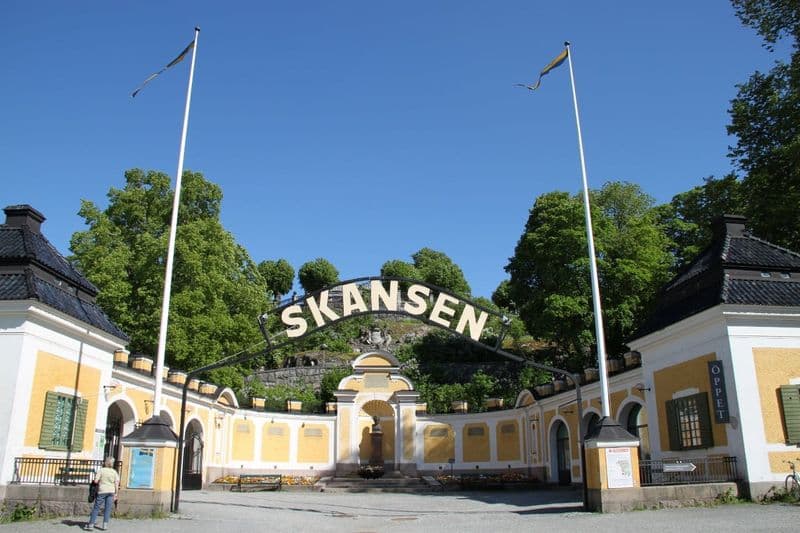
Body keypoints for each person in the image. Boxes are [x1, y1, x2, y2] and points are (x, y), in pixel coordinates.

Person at [84, 457, 120, 531]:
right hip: (111, 491)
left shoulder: (101, 470)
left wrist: (98, 480)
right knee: (108, 508)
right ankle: (105, 526)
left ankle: (91, 525)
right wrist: (116, 494)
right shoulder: (114, 472)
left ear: (106, 462)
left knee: (96, 507)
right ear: (112, 463)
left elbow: (96, 481)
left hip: (102, 491)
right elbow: (116, 484)